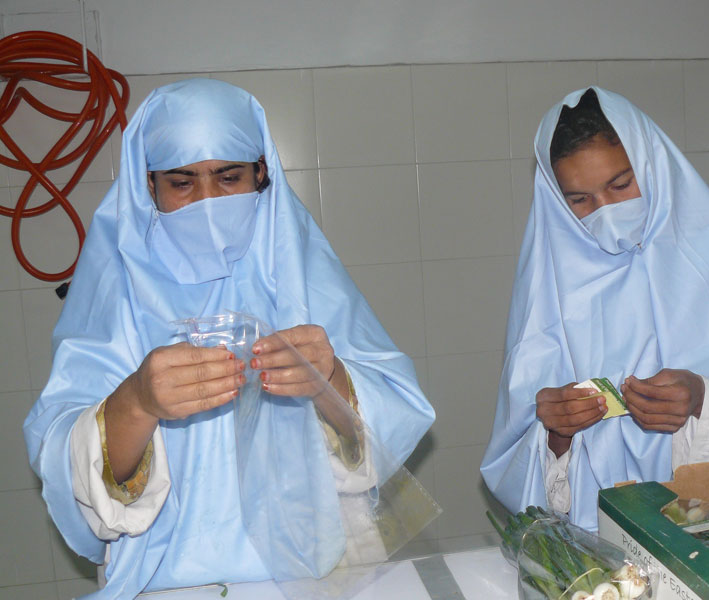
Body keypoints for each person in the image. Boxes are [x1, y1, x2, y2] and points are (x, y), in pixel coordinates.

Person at [23, 78, 435, 598]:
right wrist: (135, 404)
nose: (208, 201)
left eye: (228, 177)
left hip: (316, 570)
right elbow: (57, 445)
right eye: (182, 183)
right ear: (148, 184)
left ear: (261, 172)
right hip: (165, 579)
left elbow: (395, 411)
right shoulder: (117, 282)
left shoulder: (299, 266)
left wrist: (329, 378)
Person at [480, 87, 709, 531]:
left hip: (707, 529)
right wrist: (558, 432)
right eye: (580, 200)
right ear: (556, 202)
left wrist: (700, 400)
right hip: (594, 539)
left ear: (653, 167)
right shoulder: (547, 284)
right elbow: (515, 454)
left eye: (620, 185)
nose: (607, 212)